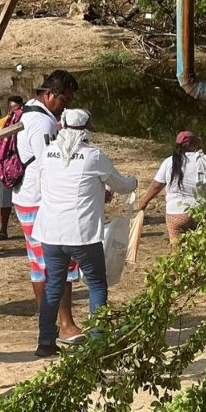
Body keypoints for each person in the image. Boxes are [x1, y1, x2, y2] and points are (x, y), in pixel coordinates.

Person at [32, 109, 138, 357]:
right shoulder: (94, 156)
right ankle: (98, 341)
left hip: (51, 231)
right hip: (82, 233)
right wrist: (133, 182)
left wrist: (97, 191)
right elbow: (120, 185)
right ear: (87, 130)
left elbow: (42, 186)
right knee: (97, 284)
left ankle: (45, 342)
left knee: (53, 286)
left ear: (62, 126)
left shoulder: (47, 153)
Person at [14, 70, 85, 345]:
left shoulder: (28, 114)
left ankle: (49, 326)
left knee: (39, 265)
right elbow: (49, 166)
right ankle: (65, 325)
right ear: (49, 94)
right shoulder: (42, 122)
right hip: (40, 200)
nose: (65, 107)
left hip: (26, 198)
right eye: (64, 100)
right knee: (59, 263)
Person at [135, 131, 206, 248]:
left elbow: (157, 186)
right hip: (200, 211)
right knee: (200, 248)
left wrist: (144, 202)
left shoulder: (169, 162)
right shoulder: (201, 159)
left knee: (177, 251)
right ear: (190, 144)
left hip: (176, 212)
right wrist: (203, 189)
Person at [0, 95, 24, 241]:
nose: (16, 112)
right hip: (4, 166)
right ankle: (3, 229)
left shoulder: (26, 122)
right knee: (4, 199)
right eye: (13, 109)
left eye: (19, 109)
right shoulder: (1, 124)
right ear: (8, 109)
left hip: (21, 165)